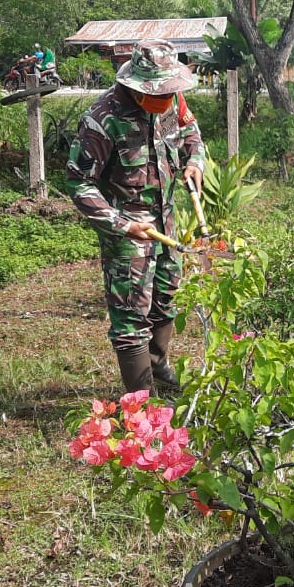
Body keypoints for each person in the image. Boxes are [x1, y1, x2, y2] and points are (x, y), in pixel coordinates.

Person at [66, 39, 205, 395]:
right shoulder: (102, 120)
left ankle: (158, 367)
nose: (166, 100)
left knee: (167, 297)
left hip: (166, 220)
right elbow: (80, 184)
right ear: (136, 85)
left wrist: (194, 162)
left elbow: (191, 134)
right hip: (127, 231)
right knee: (131, 314)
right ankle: (140, 403)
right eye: (157, 93)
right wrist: (124, 225)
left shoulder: (173, 101)